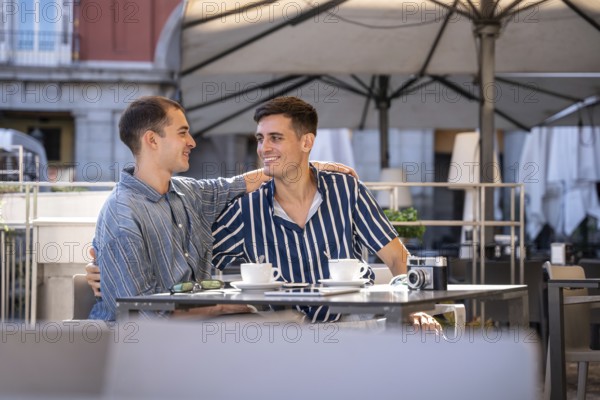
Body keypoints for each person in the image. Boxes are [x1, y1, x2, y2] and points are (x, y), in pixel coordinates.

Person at [88, 95, 355, 321]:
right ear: (152, 140)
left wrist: (314, 168)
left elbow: (241, 183)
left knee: (287, 324)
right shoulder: (122, 214)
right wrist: (224, 307)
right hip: (137, 347)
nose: (192, 142)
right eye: (182, 133)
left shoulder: (187, 193)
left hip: (194, 332)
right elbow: (141, 315)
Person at [212, 96, 436, 328]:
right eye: (260, 138)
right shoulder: (246, 209)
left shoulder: (346, 191)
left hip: (353, 327)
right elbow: (203, 261)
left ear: (306, 142)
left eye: (275, 138)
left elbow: (395, 256)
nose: (263, 148)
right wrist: (228, 303)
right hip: (284, 335)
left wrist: (414, 308)